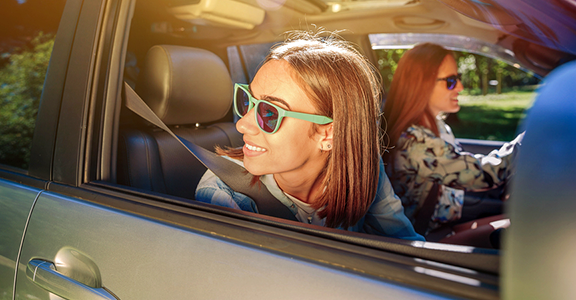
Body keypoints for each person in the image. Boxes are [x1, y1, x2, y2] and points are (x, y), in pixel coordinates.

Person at [195, 31, 423, 241]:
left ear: (329, 133)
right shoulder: (223, 192)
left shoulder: (362, 170)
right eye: (248, 101)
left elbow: (403, 244)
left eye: (269, 112)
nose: (243, 124)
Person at [382, 43, 524, 234]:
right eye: (450, 80)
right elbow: (483, 174)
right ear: (422, 84)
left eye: (458, 78)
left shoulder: (435, 127)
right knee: (518, 228)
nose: (460, 86)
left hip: (445, 217)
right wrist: (528, 140)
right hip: (424, 238)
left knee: (515, 218)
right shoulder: (414, 141)